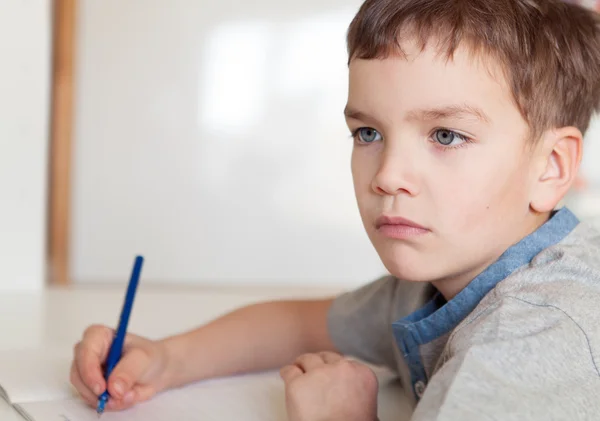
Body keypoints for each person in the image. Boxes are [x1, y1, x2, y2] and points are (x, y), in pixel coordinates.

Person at [69, 0, 600, 419]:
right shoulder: (445, 277)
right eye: (368, 132)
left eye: (445, 135)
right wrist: (166, 359)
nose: (388, 174)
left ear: (551, 167)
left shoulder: (534, 335)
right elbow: (302, 325)